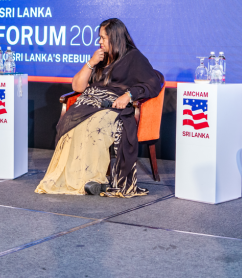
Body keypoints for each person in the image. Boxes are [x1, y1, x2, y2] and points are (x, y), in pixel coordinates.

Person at [36, 18, 162, 197]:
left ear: (115, 38)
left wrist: (129, 95)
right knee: (72, 125)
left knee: (94, 126)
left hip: (113, 107)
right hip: (89, 104)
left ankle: (94, 179)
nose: (99, 41)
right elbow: (77, 86)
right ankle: (78, 178)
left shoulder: (133, 57)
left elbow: (153, 82)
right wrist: (91, 62)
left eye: (103, 38)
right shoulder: (100, 58)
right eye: (99, 37)